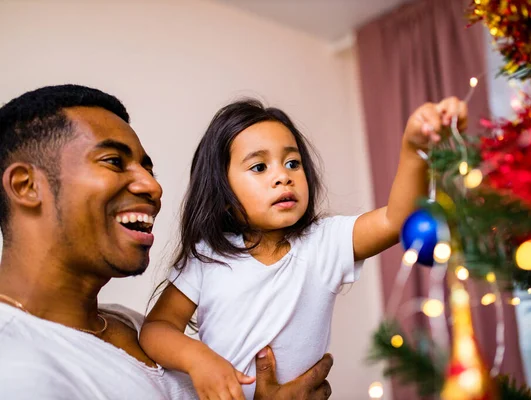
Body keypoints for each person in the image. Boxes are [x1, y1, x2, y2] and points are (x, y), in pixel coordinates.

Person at [0, 84, 333, 399]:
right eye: (114, 161)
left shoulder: (134, 325)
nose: (152, 187)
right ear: (26, 186)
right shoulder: (15, 366)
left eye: (148, 169)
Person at [140, 97, 467, 399]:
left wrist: (413, 149)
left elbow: (396, 221)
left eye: (293, 163)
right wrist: (198, 359)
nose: (283, 176)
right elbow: (157, 328)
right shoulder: (208, 256)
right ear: (223, 195)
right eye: (259, 167)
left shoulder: (323, 242)